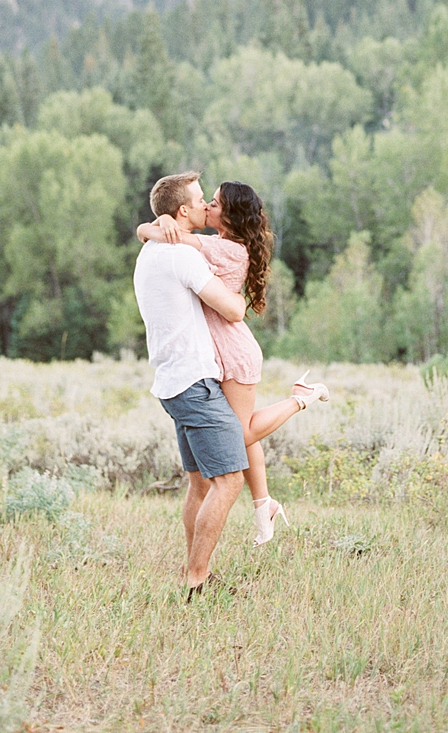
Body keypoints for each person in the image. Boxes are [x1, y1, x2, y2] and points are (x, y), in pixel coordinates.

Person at [138, 176, 328, 545]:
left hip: (233, 352)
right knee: (237, 434)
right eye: (205, 200)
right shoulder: (219, 242)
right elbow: (172, 236)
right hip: (217, 352)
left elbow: (179, 239)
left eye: (214, 203)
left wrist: (153, 225)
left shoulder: (227, 250)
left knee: (239, 435)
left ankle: (300, 398)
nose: (207, 206)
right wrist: (155, 223)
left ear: (229, 216)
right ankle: (263, 504)